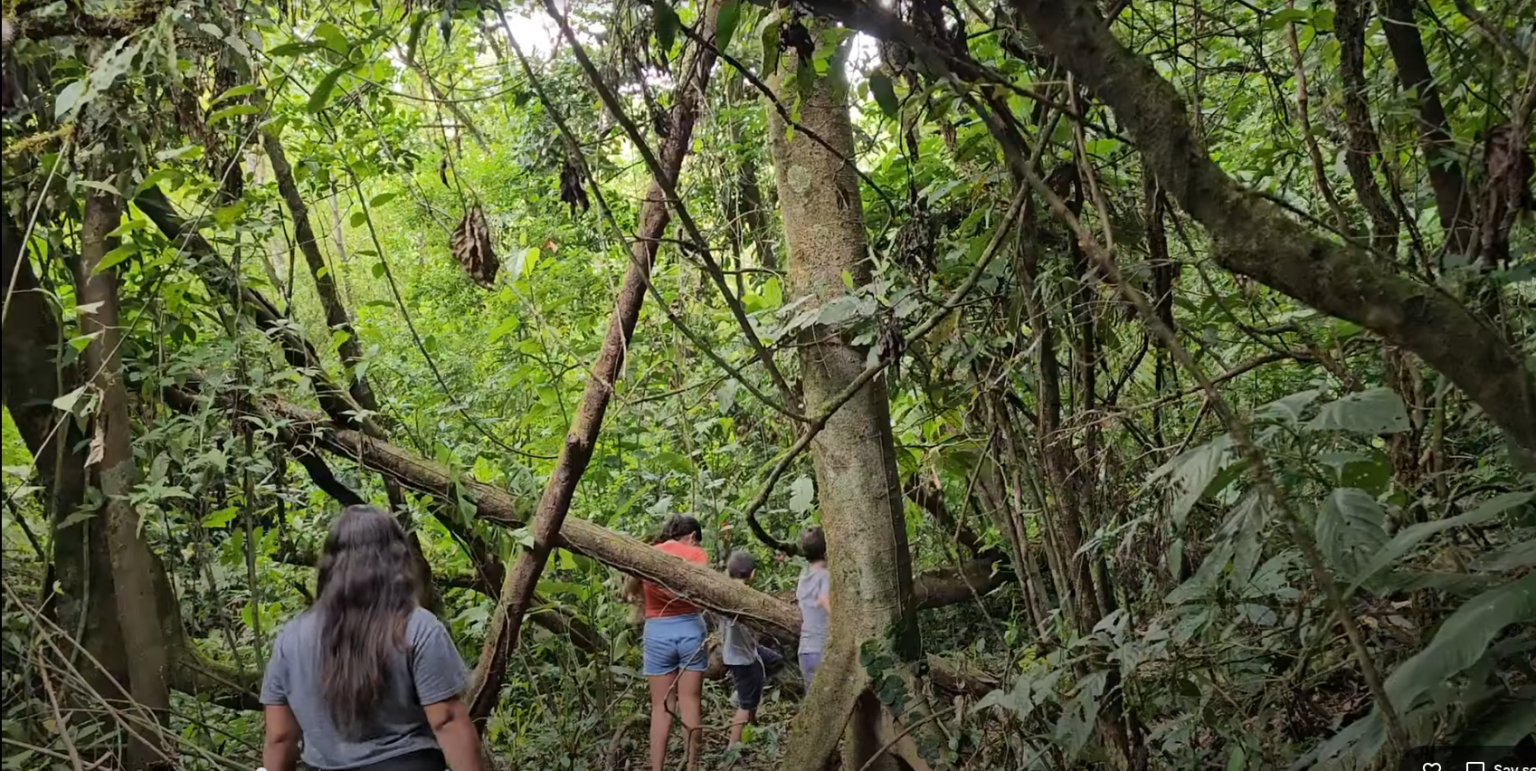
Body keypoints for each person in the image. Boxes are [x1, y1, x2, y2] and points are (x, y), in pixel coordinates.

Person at [259, 505, 486, 771]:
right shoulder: (418, 627)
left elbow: (280, 736)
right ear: (398, 561)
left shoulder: (291, 638)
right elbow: (446, 720)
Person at [624, 514, 709, 771]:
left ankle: (657, 768)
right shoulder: (696, 554)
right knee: (690, 702)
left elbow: (630, 591)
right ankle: (692, 765)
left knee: (660, 707)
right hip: (690, 630)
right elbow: (704, 591)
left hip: (658, 633)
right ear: (692, 536)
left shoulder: (649, 553)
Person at [715, 550, 784, 747]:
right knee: (745, 706)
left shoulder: (722, 591)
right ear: (752, 573)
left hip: (743, 650)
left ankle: (751, 711)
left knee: (775, 661)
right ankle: (732, 749)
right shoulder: (744, 597)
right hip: (742, 658)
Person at [796, 527, 831, 687]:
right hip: (821, 649)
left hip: (805, 651)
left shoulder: (803, 576)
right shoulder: (825, 575)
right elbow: (824, 600)